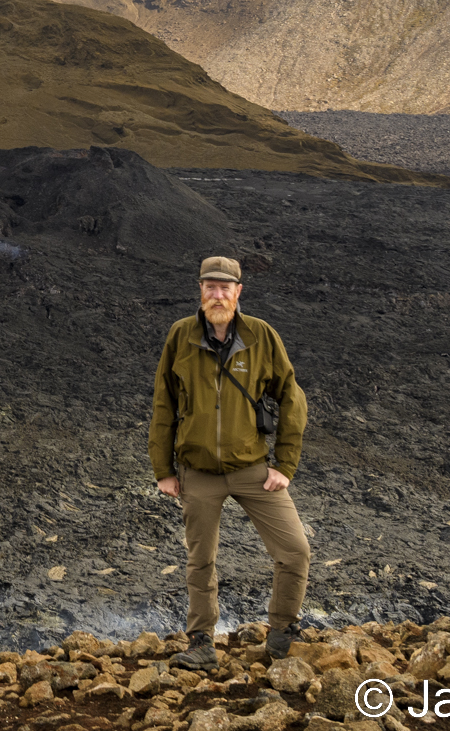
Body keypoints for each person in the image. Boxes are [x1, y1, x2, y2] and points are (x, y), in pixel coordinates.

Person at [150, 255, 311, 668]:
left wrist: (285, 465)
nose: (217, 294)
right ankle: (201, 641)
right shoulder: (180, 335)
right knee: (200, 560)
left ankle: (282, 632)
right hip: (197, 474)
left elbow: (292, 398)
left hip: (252, 470)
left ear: (239, 292)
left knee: (294, 551)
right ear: (200, 291)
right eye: (210, 286)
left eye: (226, 287)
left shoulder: (260, 335)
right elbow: (164, 403)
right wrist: (163, 471)